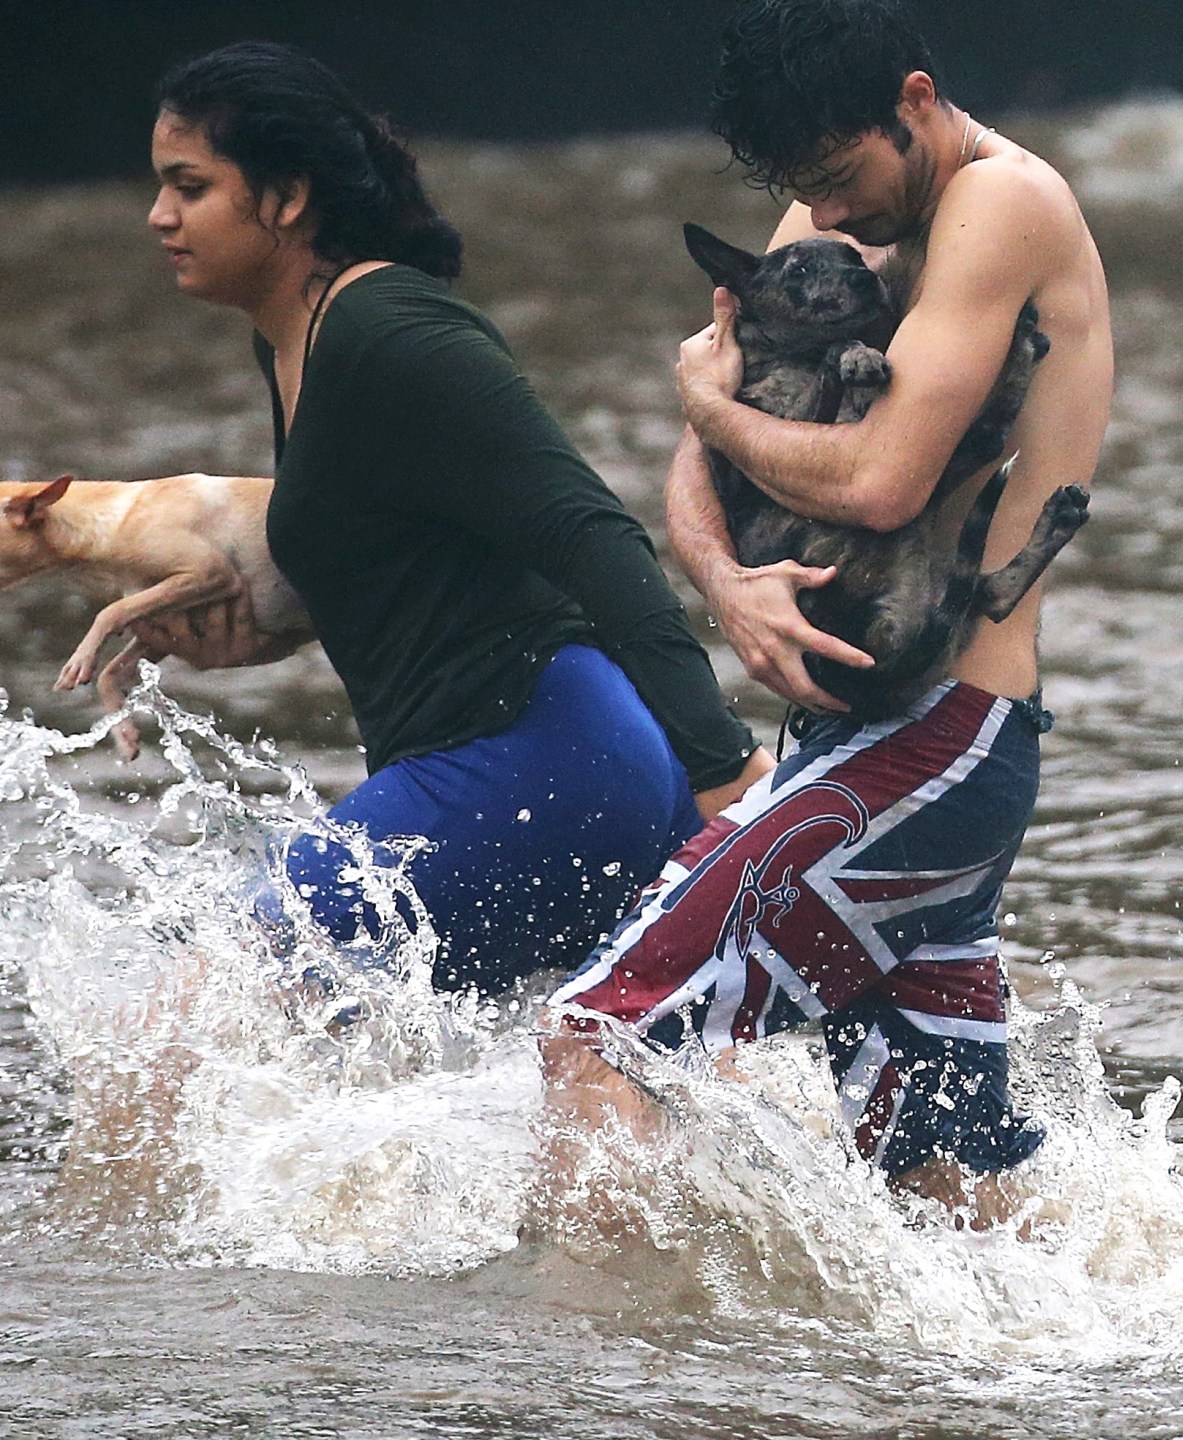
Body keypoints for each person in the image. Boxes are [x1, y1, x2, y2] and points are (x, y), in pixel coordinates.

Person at [545, 0, 1115, 1217]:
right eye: (804, 188)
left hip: (937, 740)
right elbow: (716, 419)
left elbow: (876, 478)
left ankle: (607, 1393)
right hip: (876, 749)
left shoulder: (999, 204)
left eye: (842, 179)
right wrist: (726, 580)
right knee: (940, 1201)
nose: (831, 218)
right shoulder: (835, 200)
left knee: (595, 1036)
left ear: (915, 101)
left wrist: (709, 413)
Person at [142, 42, 770, 994]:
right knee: (566, 1093)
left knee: (197, 988)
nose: (159, 216)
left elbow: (590, 533)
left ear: (285, 197)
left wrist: (725, 770)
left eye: (190, 186)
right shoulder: (291, 344)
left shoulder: (391, 333)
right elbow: (418, 557)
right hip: (533, 771)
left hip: (547, 760)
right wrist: (266, 630)